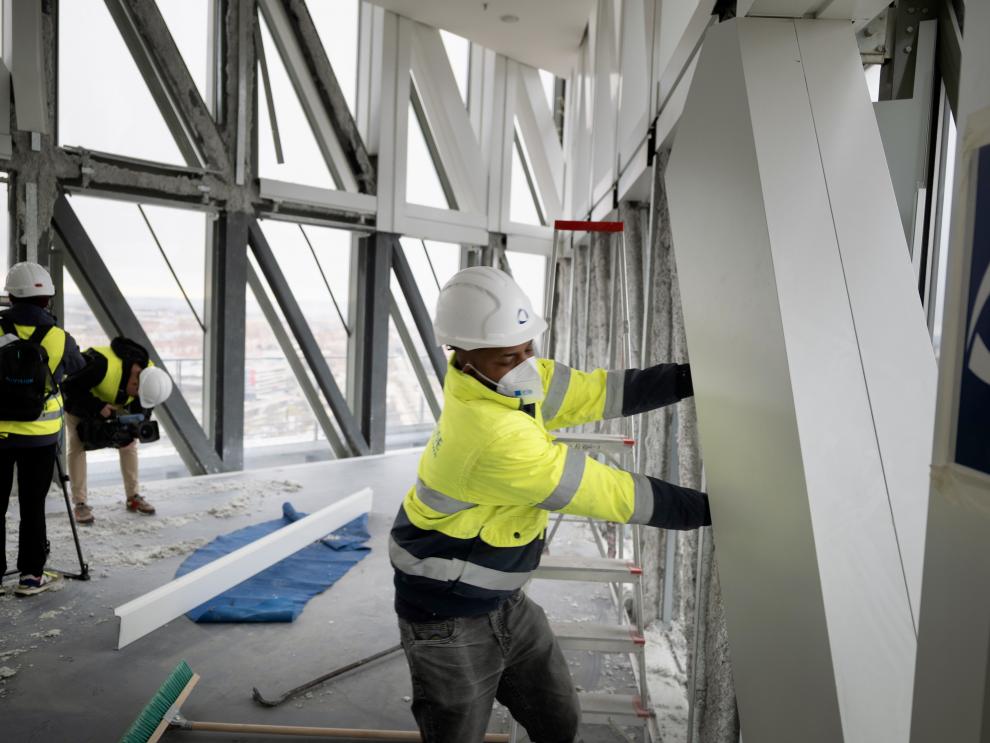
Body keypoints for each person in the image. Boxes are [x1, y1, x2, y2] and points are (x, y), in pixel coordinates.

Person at [390, 266, 712, 742]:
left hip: (503, 599)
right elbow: (608, 491)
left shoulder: (506, 379)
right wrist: (713, 510)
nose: (525, 365)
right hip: (446, 615)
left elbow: (598, 391)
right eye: (507, 357)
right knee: (456, 734)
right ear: (461, 357)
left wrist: (689, 378)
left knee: (558, 719)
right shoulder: (488, 435)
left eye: (527, 350)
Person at [0, 261, 85, 596]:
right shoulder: (59, 337)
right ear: (48, 299)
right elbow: (77, 370)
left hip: (0, 434)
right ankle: (31, 576)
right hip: (40, 436)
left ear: (9, 295)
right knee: (32, 505)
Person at [62, 337, 173, 523]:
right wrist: (97, 407)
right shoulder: (100, 365)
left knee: (129, 443)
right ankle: (80, 503)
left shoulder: (150, 376)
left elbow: (144, 406)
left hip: (113, 400)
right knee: (78, 445)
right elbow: (68, 387)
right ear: (136, 379)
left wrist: (134, 425)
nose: (137, 396)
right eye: (137, 392)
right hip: (81, 401)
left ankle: (133, 497)